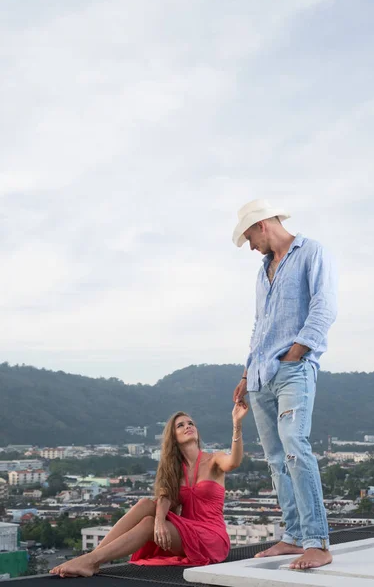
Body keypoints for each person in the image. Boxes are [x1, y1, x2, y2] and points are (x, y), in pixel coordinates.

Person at [232, 199, 337, 570]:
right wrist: (247, 374)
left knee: (295, 447)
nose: (249, 246)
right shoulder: (262, 272)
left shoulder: (311, 252)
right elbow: (260, 326)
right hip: (260, 377)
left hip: (293, 370)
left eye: (248, 237)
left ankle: (318, 542)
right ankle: (292, 536)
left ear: (261, 225)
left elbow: (324, 307)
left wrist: (295, 353)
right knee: (276, 461)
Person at [50, 402, 248, 578]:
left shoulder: (214, 459)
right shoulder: (174, 468)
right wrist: (160, 521)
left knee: (147, 524)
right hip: (185, 531)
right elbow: (163, 497)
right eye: (181, 425)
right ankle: (92, 560)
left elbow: (234, 461)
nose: (188, 426)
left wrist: (236, 424)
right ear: (173, 436)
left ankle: (91, 560)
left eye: (190, 423)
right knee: (146, 505)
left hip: (211, 538)